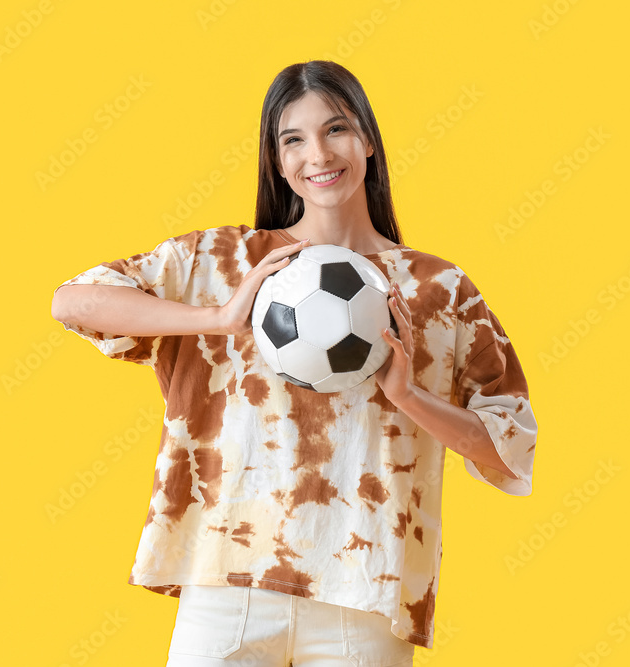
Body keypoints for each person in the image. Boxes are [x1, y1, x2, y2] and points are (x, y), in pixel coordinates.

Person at [50, 60, 537, 667]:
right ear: (278, 162)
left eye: (336, 130)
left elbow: (509, 446)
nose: (318, 154)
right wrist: (221, 317)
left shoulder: (438, 288)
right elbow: (72, 301)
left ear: (367, 142)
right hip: (228, 584)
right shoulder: (220, 263)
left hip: (363, 593)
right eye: (294, 139)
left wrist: (410, 396)